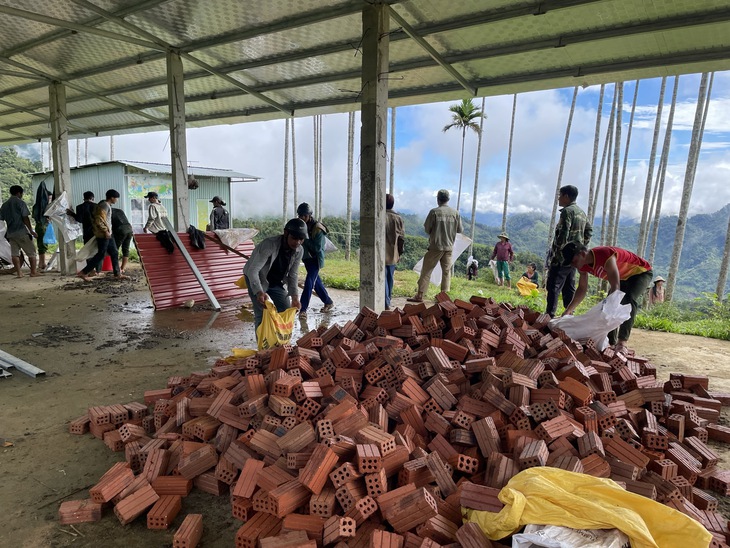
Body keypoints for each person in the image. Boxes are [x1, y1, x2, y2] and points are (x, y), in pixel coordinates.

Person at [562, 243, 653, 355]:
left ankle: (621, 343)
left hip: (640, 273)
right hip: (622, 277)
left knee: (628, 299)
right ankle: (610, 343)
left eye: (573, 261)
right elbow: (582, 289)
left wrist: (611, 303)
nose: (573, 265)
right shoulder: (582, 266)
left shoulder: (604, 256)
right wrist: (569, 310)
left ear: (582, 254)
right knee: (607, 306)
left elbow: (615, 287)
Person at [243, 218, 305, 334]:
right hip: (257, 279)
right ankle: (262, 348)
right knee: (262, 313)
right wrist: (259, 292)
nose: (297, 242)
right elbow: (253, 271)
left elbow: (293, 274)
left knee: (286, 310)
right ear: (286, 233)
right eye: (294, 238)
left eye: (301, 239)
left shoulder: (299, 250)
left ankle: (279, 345)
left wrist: (295, 297)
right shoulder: (269, 245)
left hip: (276, 281)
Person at [545, 185, 593, 317]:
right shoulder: (582, 213)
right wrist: (581, 247)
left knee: (554, 285)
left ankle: (550, 315)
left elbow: (563, 235)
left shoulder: (567, 211)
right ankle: (569, 314)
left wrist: (559, 253)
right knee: (569, 286)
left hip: (562, 257)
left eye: (560, 195)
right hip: (575, 257)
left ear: (566, 196)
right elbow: (589, 231)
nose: (558, 198)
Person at [407, 189, 462, 302]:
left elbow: (427, 229)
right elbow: (460, 229)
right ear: (448, 199)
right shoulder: (455, 213)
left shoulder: (434, 212)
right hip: (449, 247)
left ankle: (420, 295)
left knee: (426, 271)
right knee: (446, 272)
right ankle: (444, 298)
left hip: (436, 247)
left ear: (438, 199)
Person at [77, 189, 129, 282]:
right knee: (101, 254)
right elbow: (99, 220)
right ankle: (84, 272)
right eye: (116, 198)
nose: (117, 200)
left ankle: (117, 274)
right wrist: (105, 231)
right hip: (104, 234)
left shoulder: (106, 205)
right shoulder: (104, 205)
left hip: (108, 233)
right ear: (112, 198)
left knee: (114, 252)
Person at [297, 202, 334, 317]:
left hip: (315, 260)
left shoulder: (318, 228)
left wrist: (305, 239)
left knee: (309, 283)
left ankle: (303, 309)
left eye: (304, 216)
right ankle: (328, 302)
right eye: (300, 215)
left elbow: (318, 248)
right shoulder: (300, 225)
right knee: (316, 283)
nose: (302, 218)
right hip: (307, 259)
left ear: (310, 215)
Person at [0, 185, 42, 278]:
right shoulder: (20, 203)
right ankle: (33, 272)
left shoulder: (4, 205)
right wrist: (31, 230)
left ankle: (19, 273)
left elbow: (1, 218)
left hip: (11, 233)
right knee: (31, 253)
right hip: (21, 232)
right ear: (19, 193)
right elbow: (25, 218)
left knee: (15, 254)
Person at [385, 193, 405, 310]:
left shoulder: (379, 216)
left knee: (382, 278)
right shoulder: (398, 218)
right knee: (389, 278)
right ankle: (388, 300)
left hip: (381, 253)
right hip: (393, 252)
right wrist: (400, 252)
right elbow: (402, 238)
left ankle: (386, 302)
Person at [33, 187, 53, 271]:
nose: (50, 200)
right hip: (42, 226)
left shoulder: (36, 206)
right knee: (43, 245)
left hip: (39, 226)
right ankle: (42, 263)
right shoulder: (44, 206)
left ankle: (41, 263)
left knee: (41, 244)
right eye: (49, 198)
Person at [112, 208, 133, 274]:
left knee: (115, 250)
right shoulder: (119, 210)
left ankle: (117, 269)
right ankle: (122, 268)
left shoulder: (108, 212)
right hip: (129, 229)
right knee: (126, 250)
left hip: (120, 230)